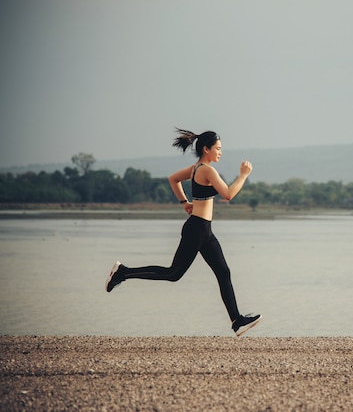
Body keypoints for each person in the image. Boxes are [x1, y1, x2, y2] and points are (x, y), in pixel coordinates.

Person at [105, 128, 262, 337]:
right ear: (206, 149)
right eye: (218, 148)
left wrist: (184, 203)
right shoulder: (206, 170)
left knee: (223, 272)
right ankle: (123, 272)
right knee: (173, 274)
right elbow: (228, 194)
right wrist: (243, 175)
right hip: (196, 229)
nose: (220, 152)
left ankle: (237, 320)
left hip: (204, 230)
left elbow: (173, 179)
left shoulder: (197, 168)